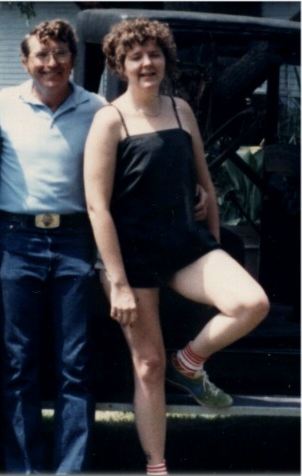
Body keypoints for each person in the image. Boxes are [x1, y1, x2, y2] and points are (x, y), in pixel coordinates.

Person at [83, 18, 269, 475]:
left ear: (166, 59)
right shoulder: (109, 119)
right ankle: (157, 466)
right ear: (120, 65)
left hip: (184, 244)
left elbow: (204, 185)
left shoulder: (181, 109)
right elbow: (97, 206)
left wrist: (215, 246)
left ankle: (187, 363)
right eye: (136, 56)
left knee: (252, 303)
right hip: (132, 256)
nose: (147, 63)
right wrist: (118, 282)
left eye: (155, 54)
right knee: (148, 364)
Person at [0, 19, 105, 473]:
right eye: (41, 54)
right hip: (16, 240)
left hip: (75, 241)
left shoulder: (97, 108)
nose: (51, 63)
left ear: (73, 59)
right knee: (18, 362)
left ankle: (71, 468)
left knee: (76, 364)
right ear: (25, 61)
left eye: (60, 53)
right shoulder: (3, 105)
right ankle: (26, 469)